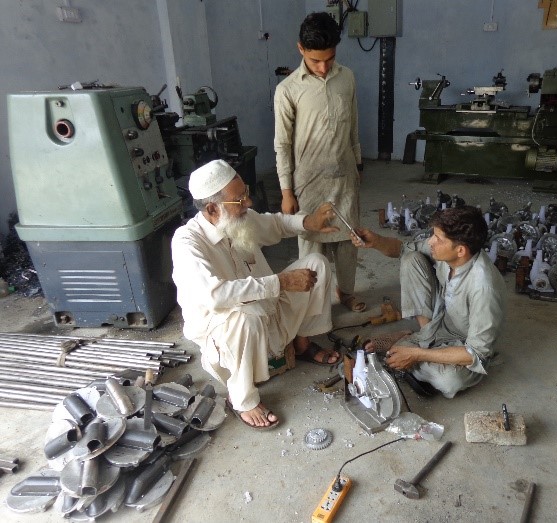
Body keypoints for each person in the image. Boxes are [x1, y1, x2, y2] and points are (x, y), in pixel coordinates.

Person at [171, 160, 342, 430]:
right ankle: (242, 399)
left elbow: (274, 224)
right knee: (245, 315)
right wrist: (281, 281)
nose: (248, 202)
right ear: (213, 209)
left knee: (316, 265)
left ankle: (302, 345)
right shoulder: (187, 243)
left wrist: (308, 222)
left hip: (266, 314)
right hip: (228, 333)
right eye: (238, 199)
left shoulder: (237, 217)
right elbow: (216, 296)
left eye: (245, 193)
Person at [352, 206, 507, 398]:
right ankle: (420, 337)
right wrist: (375, 241)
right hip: (440, 318)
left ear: (460, 250)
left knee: (449, 382)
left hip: (464, 341)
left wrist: (417, 354)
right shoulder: (448, 251)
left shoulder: (484, 288)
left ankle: (411, 346)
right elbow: (402, 249)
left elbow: (475, 353)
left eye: (438, 239)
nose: (431, 242)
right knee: (411, 259)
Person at [274, 11, 365, 313]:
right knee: (311, 244)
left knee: (348, 242)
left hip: (344, 176)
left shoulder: (347, 78)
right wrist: (287, 191)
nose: (324, 67)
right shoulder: (287, 90)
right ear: (301, 48)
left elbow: (352, 126)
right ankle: (313, 299)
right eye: (315, 61)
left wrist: (359, 164)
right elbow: (282, 144)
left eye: (329, 58)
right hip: (309, 182)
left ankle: (347, 292)